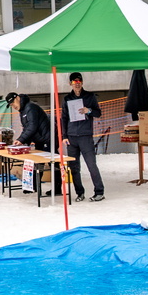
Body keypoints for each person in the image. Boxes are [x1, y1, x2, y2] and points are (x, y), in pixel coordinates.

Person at [63, 72, 104, 201]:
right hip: (72, 136)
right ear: (70, 84)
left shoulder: (90, 96)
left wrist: (89, 111)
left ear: (82, 83)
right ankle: (79, 192)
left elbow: (98, 113)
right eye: (75, 82)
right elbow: (64, 117)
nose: (77, 84)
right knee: (74, 167)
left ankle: (99, 192)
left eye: (79, 82)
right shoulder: (67, 99)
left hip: (85, 136)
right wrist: (65, 136)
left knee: (91, 164)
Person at [7, 91, 57, 194]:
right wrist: (23, 142)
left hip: (48, 139)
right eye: (11, 105)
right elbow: (26, 128)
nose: (13, 106)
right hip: (39, 140)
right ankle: (33, 186)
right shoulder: (23, 111)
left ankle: (57, 188)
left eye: (13, 103)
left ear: (17, 98)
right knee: (37, 163)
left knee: (53, 164)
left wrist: (21, 139)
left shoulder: (30, 108)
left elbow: (32, 126)